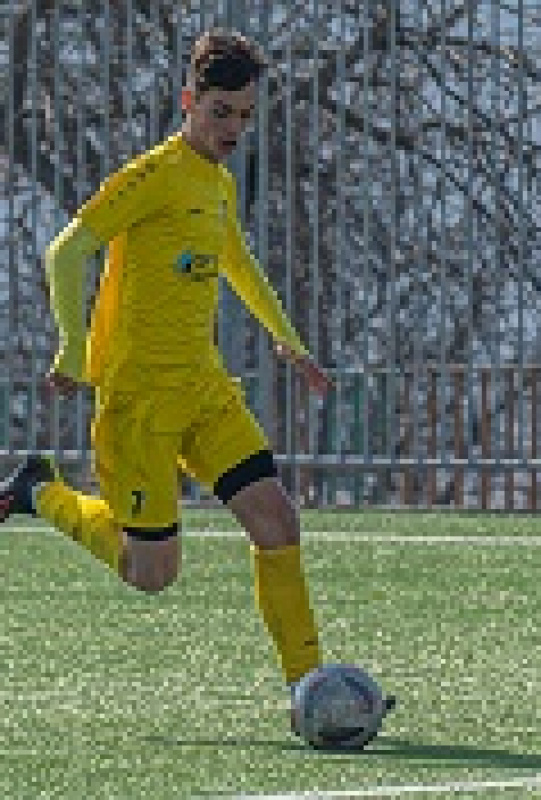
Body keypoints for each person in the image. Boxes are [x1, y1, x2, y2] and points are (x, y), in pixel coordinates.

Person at [0, 28, 392, 741]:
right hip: (139, 407)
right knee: (150, 573)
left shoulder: (216, 181)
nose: (233, 128)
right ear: (188, 102)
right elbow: (67, 250)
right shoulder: (153, 175)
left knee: (277, 521)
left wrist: (290, 343)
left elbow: (235, 260)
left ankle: (308, 685)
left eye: (244, 115)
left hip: (206, 394)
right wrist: (73, 348)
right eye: (220, 112)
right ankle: (38, 491)